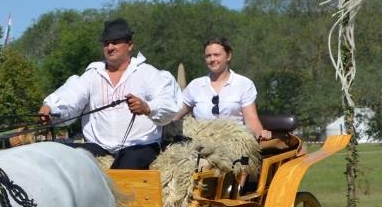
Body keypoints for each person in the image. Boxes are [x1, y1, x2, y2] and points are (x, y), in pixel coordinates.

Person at [38, 18, 181, 169]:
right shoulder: (93, 74)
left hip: (139, 145)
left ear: (130, 45)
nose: (110, 47)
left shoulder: (148, 73)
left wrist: (147, 107)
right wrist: (50, 108)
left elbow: (169, 105)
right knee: (58, 155)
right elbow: (71, 95)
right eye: (106, 43)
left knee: (124, 170)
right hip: (99, 146)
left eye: (115, 42)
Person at [175, 37, 271, 140]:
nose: (212, 59)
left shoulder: (244, 84)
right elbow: (175, 113)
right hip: (201, 143)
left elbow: (251, 119)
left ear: (228, 56)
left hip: (233, 144)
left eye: (216, 55)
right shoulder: (195, 85)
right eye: (208, 56)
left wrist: (261, 135)